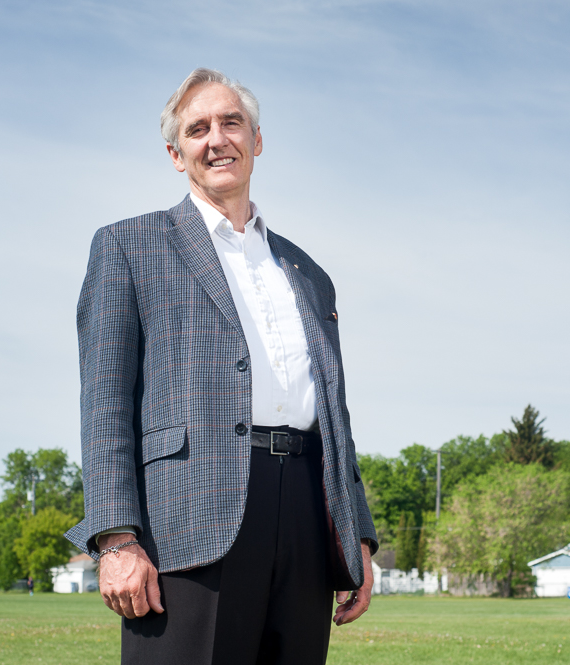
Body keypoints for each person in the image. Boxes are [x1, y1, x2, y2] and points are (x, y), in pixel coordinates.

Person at [65, 68, 378, 665]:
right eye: (197, 129)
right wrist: (116, 538)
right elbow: (104, 404)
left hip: (306, 518)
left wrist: (355, 530)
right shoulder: (128, 246)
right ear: (175, 155)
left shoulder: (309, 273)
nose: (217, 139)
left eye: (232, 123)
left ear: (257, 141)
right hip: (188, 517)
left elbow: (334, 415)